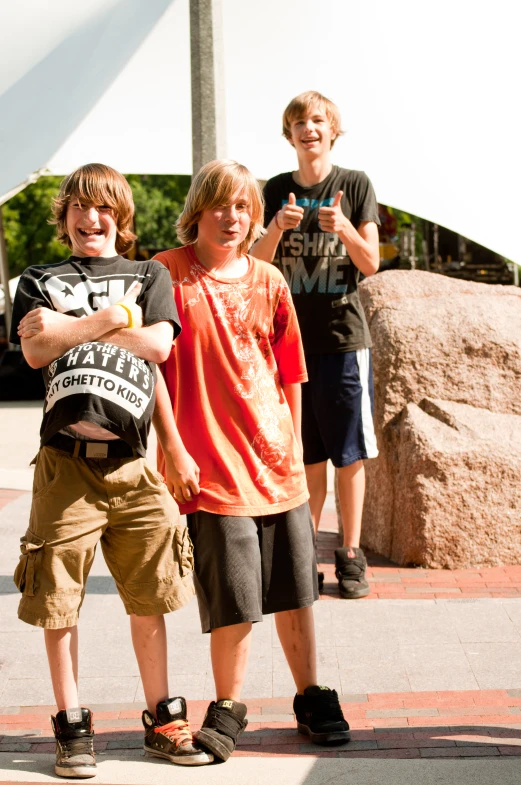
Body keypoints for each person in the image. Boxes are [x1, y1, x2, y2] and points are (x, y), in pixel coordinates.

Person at [10, 163, 213, 778]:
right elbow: (34, 351)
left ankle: (163, 717)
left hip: (131, 464)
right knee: (58, 599)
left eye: (103, 208)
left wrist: (76, 328)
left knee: (149, 596)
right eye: (78, 206)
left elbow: (158, 349)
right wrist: (119, 320)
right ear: (64, 216)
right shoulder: (37, 278)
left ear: (120, 218)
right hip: (63, 465)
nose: (90, 218)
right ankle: (72, 725)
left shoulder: (149, 273)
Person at [152, 159, 350, 763]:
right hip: (210, 471)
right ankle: (228, 706)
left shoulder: (269, 281)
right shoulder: (168, 273)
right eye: (219, 205)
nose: (231, 218)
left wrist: (291, 443)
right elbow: (154, 366)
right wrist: (173, 451)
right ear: (198, 211)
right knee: (234, 597)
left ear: (254, 215)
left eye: (242, 208)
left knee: (296, 593)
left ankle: (310, 695)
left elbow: (291, 371)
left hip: (276, 465)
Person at [251, 91, 380, 599]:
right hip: (290, 347)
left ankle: (351, 554)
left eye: (318, 120)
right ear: (290, 135)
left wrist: (343, 226)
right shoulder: (276, 189)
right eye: (300, 122)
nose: (310, 128)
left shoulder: (355, 185)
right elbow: (257, 264)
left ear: (333, 131)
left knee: (349, 454)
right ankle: (305, 556)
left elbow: (371, 264)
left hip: (345, 341)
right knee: (306, 458)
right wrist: (277, 229)